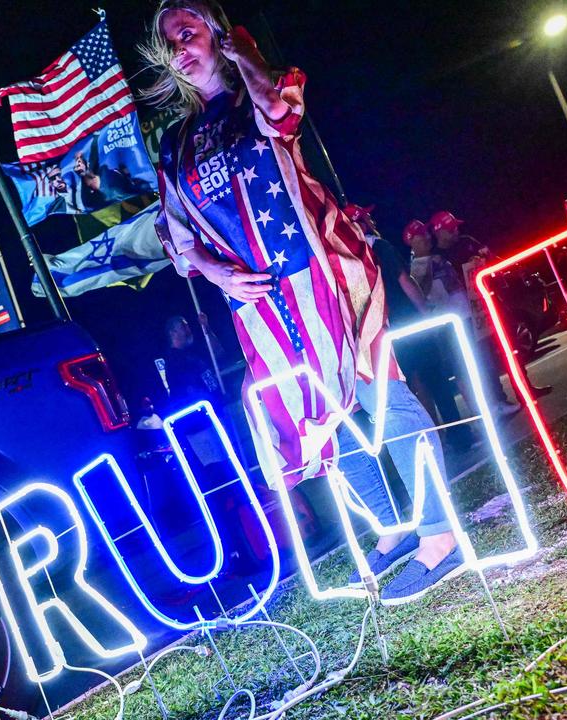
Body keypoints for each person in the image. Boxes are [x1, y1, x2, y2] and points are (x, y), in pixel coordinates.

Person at [145, 0, 463, 604]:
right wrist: (218, 275)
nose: (180, 48)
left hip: (325, 273)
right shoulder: (175, 143)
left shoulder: (256, 94)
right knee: (320, 424)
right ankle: (392, 525)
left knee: (380, 396)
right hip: (259, 306)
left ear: (215, 32)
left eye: (188, 32)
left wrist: (248, 56)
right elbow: (177, 236)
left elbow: (281, 115)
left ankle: (439, 535)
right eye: (169, 43)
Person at [349, 206, 474, 454]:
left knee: (413, 387)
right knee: (436, 379)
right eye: (367, 217)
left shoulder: (350, 257)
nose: (371, 220)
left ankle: (431, 442)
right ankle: (460, 437)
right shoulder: (380, 247)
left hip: (382, 332)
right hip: (409, 322)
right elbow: (406, 281)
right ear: (360, 223)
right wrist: (425, 313)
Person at [427, 211, 552, 405]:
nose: (456, 232)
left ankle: (525, 389)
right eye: (451, 229)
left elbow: (492, 258)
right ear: (440, 232)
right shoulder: (437, 258)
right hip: (470, 313)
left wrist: (485, 262)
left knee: (510, 346)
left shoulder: (466, 241)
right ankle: (499, 400)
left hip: (492, 300)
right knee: (484, 357)